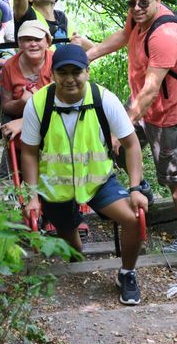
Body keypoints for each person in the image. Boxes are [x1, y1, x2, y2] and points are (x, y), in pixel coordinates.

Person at [20, 44, 147, 305]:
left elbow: (131, 144)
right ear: (53, 74)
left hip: (98, 180)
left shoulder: (103, 99)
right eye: (62, 72)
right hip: (56, 185)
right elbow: (29, 152)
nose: (69, 79)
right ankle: (75, 258)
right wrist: (31, 195)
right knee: (73, 245)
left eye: (76, 71)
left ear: (87, 72)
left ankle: (127, 273)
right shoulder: (38, 104)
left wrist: (135, 188)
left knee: (134, 219)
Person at [86, 0, 177, 253]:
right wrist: (90, 54)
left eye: (143, 3)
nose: (136, 9)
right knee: (117, 147)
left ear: (158, 0)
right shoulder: (136, 17)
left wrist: (121, 126)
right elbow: (124, 37)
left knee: (174, 180)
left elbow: (151, 90)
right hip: (140, 105)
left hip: (168, 115)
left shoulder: (165, 35)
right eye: (132, 3)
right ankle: (142, 188)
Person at [0, 20, 53, 146]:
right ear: (20, 43)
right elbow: (5, 106)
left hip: (52, 127)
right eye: (28, 39)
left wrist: (25, 121)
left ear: (47, 41)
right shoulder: (9, 66)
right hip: (20, 135)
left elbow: (62, 103)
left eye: (38, 39)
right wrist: (21, 103)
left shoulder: (56, 61)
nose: (33, 44)